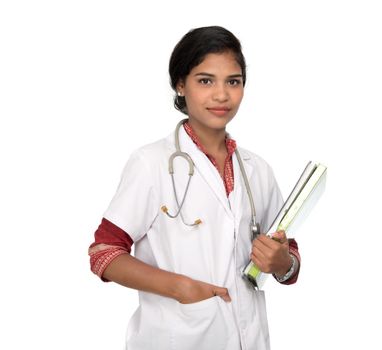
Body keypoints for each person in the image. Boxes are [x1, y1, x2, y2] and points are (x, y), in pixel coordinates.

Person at [88, 26, 300, 350]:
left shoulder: (257, 170)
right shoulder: (151, 163)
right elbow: (104, 252)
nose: (221, 95)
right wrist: (179, 287)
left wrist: (282, 263)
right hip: (176, 339)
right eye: (205, 81)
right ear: (180, 85)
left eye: (234, 81)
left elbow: (288, 254)